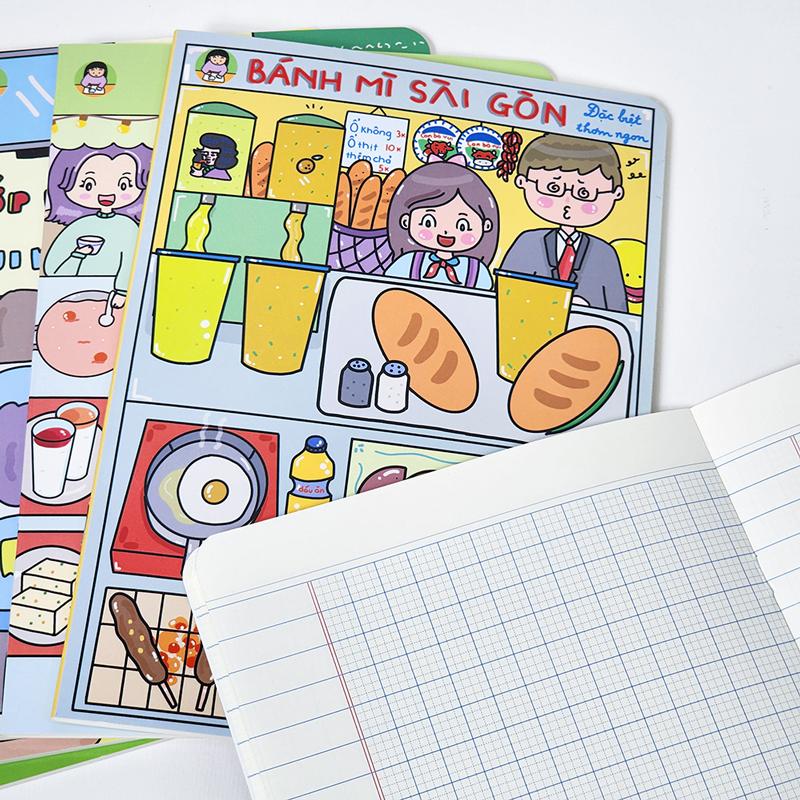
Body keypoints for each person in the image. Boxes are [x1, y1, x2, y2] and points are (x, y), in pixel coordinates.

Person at [501, 133, 627, 312]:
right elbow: (505, 293)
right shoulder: (527, 242)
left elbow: (618, 309)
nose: (568, 202)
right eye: (553, 188)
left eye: (584, 193)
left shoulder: (604, 253)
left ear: (616, 194)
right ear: (523, 182)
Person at [43, 144, 152, 298]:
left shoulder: (128, 226)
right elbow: (53, 269)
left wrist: (122, 292)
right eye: (88, 185)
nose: (107, 194)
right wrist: (78, 255)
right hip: (71, 292)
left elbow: (131, 263)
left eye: (124, 185)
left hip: (113, 294)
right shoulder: (79, 225)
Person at [385, 155, 498, 290]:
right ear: (406, 221)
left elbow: (483, 299)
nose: (446, 231)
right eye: (428, 222)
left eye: (462, 226)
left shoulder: (477, 271)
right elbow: (388, 291)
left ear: (485, 226)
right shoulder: (408, 262)